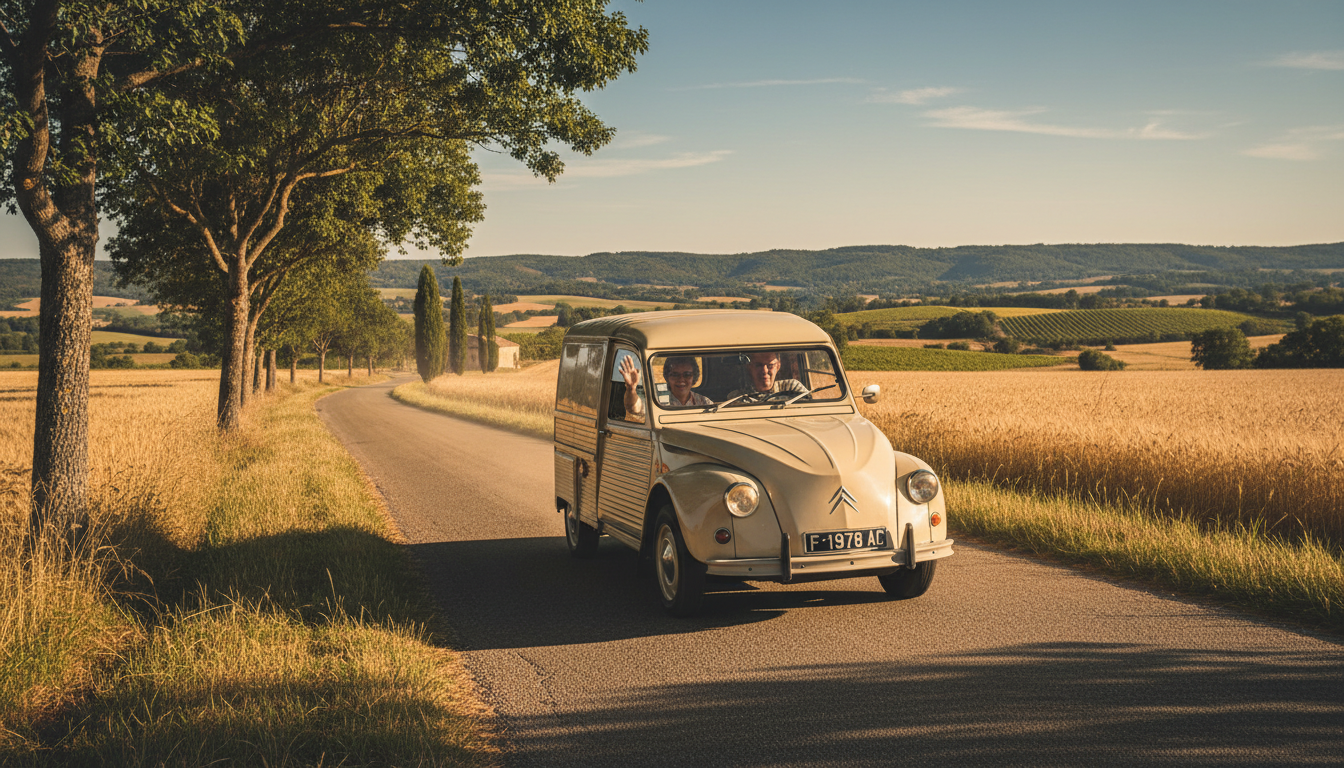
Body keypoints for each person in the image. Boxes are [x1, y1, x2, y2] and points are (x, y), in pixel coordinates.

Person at [620, 355, 712, 422]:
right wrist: (631, 388)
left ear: (694, 377)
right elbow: (634, 408)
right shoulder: (656, 399)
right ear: (667, 377)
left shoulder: (703, 402)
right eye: (675, 375)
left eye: (687, 375)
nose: (681, 380)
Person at [727, 350, 807, 400]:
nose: (764, 371)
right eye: (758, 365)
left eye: (770, 365)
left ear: (778, 366)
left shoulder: (793, 387)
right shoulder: (737, 397)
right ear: (749, 367)